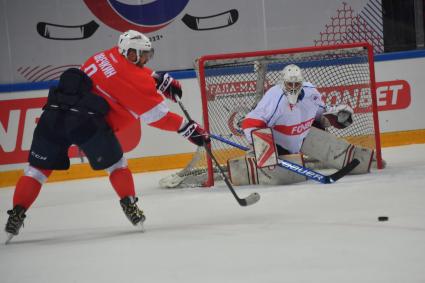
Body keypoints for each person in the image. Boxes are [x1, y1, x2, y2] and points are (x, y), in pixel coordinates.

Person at [4, 30, 209, 240]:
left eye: (148, 55)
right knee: (117, 165)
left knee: (36, 171)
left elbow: (122, 72)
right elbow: (157, 117)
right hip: (88, 124)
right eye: (142, 55)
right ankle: (130, 206)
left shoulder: (103, 55)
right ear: (130, 53)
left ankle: (17, 214)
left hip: (54, 115)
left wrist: (156, 77)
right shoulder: (138, 82)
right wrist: (188, 128)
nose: (146, 59)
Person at [227, 64, 375, 186]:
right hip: (278, 143)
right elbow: (250, 122)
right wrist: (261, 147)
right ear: (282, 82)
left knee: (355, 160)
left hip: (302, 135)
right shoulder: (274, 97)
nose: (292, 88)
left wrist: (334, 114)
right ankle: (246, 168)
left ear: (302, 83)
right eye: (289, 84)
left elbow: (319, 112)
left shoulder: (310, 92)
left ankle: (369, 160)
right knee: (285, 178)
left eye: (296, 84)